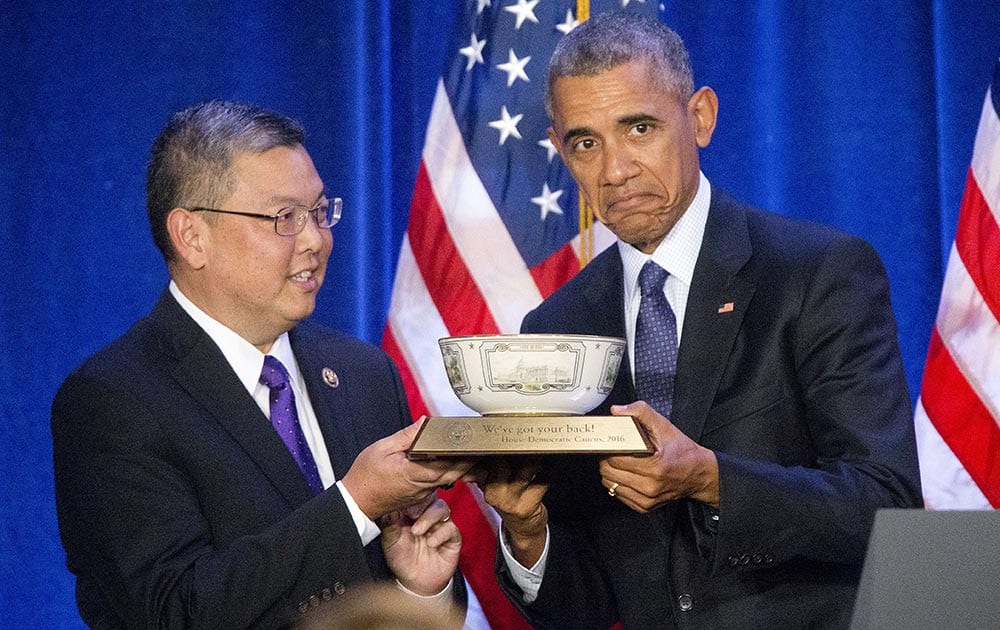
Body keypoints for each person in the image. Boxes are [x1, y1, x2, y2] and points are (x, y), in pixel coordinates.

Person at [477, 12, 922, 630]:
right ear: (559, 150)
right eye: (585, 143)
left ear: (701, 117)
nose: (614, 170)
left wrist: (711, 480)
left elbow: (886, 504)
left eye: (638, 128)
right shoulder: (559, 326)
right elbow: (584, 607)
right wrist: (527, 533)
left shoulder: (817, 273)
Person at [51, 100, 475, 629]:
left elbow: (403, 596)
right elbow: (173, 612)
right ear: (191, 236)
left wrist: (421, 591)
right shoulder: (114, 401)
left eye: (320, 212)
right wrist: (356, 504)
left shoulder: (365, 375)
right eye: (284, 218)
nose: (316, 240)